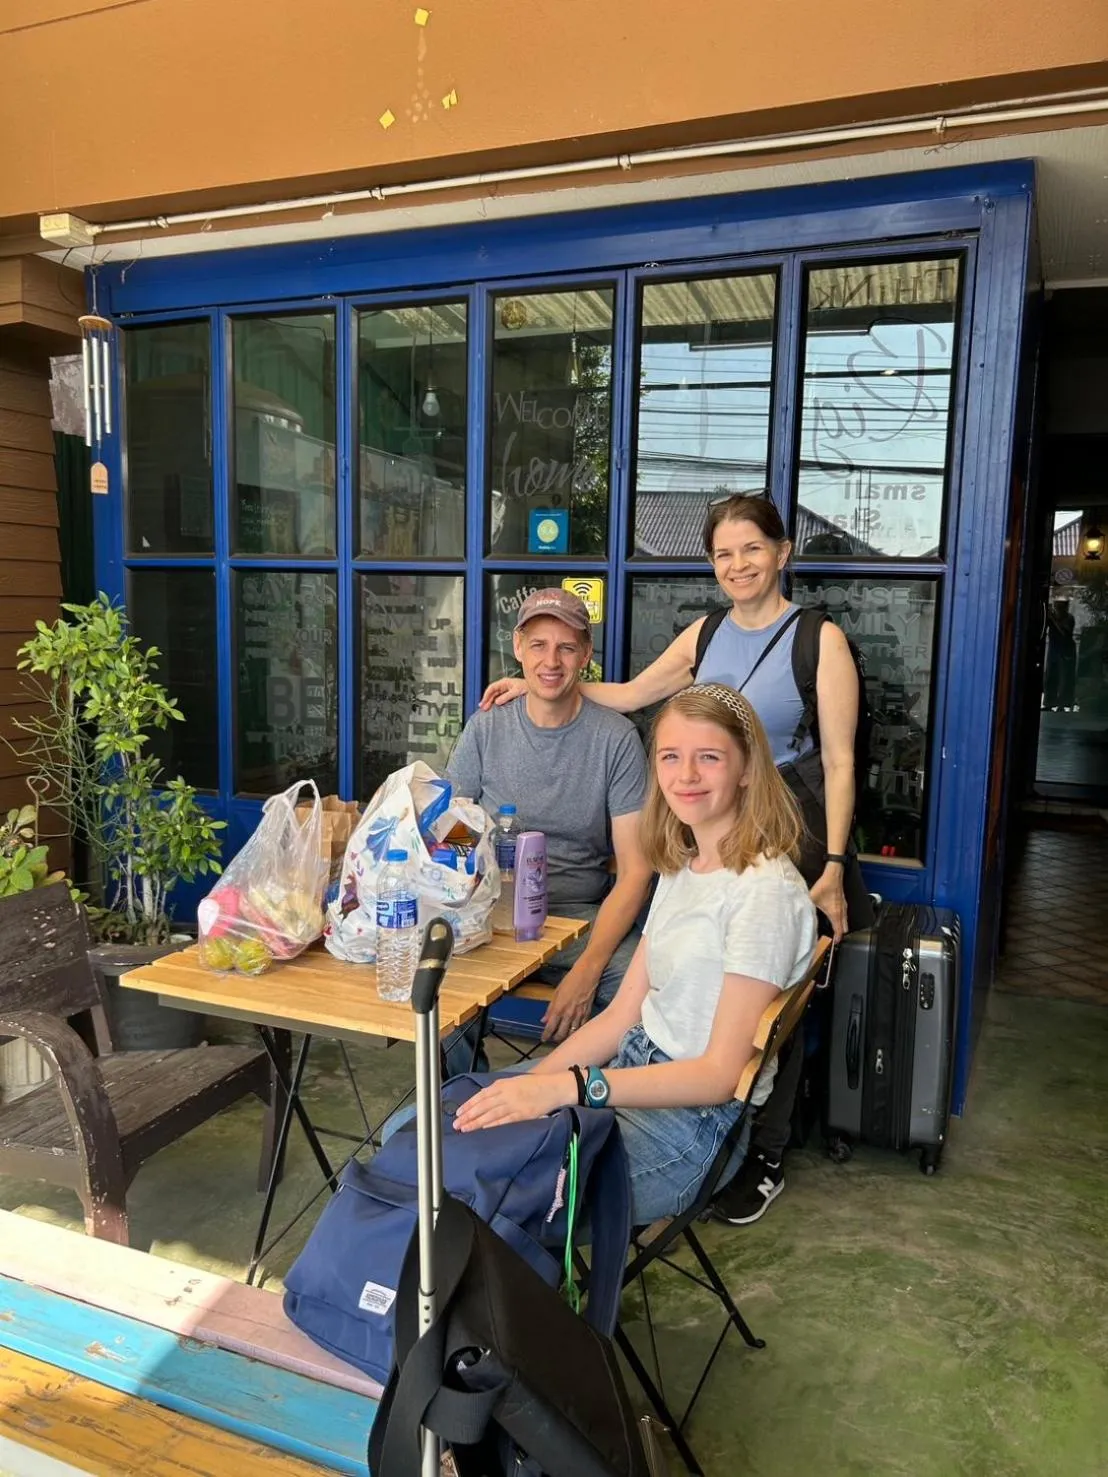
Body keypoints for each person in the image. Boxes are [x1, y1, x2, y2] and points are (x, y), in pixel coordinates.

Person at [482, 492, 873, 1223]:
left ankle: (760, 1154)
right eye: (723, 553)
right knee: (709, 989)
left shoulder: (818, 641)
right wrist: (543, 682)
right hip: (713, 829)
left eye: (751, 549)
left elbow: (843, 762)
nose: (737, 564)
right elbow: (631, 693)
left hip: (793, 835)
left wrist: (832, 867)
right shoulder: (707, 632)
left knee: (771, 1004)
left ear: (782, 553)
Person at [453, 684, 818, 1226]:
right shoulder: (683, 867)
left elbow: (717, 1076)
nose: (685, 775)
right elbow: (623, 1016)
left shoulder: (763, 893)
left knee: (456, 1182)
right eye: (671, 757)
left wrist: (566, 1088)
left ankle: (492, 1306)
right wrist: (535, 1085)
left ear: (747, 769)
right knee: (420, 1132)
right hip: (629, 1074)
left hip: (687, 1132)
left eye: (709, 757)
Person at [443, 587, 653, 1077]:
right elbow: (449, 829)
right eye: (538, 645)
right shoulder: (487, 728)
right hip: (491, 914)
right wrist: (464, 887)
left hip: (577, 921)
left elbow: (636, 873)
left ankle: (577, 1112)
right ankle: (461, 1105)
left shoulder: (615, 738)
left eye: (565, 647)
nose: (550, 661)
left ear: (585, 655)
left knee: (639, 987)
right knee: (434, 974)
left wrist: (587, 969)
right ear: (518, 648)